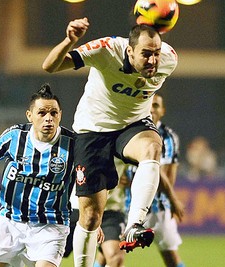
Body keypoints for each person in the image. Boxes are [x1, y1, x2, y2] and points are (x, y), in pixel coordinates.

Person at [42, 17, 178, 266]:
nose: (153, 61)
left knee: (152, 147)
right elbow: (50, 66)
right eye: (146, 54)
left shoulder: (169, 60)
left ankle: (135, 224)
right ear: (129, 50)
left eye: (156, 54)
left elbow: (158, 59)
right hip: (93, 131)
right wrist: (69, 41)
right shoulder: (106, 50)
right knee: (91, 216)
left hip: (132, 126)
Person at [0, 83, 78, 267]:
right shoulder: (14, 136)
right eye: (42, 113)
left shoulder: (74, 144)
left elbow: (88, 181)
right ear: (30, 115)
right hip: (11, 222)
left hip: (50, 225)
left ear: (60, 115)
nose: (48, 119)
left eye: (54, 113)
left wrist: (93, 222)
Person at [121, 93, 186, 267]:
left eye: (156, 105)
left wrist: (172, 199)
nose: (151, 108)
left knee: (171, 258)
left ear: (162, 111)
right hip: (126, 206)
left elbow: (163, 175)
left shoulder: (168, 138)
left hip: (159, 209)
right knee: (110, 255)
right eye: (148, 103)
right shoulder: (129, 130)